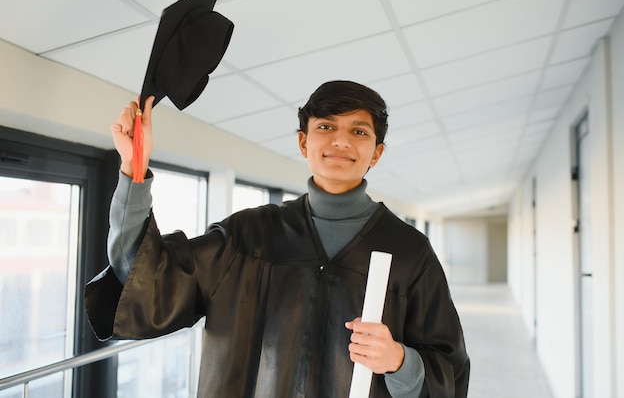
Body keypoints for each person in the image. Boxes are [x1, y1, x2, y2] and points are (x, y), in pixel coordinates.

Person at [85, 80, 470, 397]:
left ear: (376, 153)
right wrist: (133, 169)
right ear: (303, 142)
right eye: (326, 127)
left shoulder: (407, 251)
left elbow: (449, 371)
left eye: (358, 131)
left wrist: (400, 360)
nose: (340, 141)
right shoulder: (246, 235)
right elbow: (145, 273)